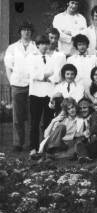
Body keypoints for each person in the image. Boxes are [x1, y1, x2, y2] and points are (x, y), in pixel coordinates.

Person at [27, 34, 63, 157]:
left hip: (49, 93)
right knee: (35, 122)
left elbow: (56, 75)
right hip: (36, 93)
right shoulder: (31, 57)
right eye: (42, 44)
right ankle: (33, 147)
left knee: (48, 122)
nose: (44, 46)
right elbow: (33, 74)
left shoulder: (52, 58)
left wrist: (47, 77)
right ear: (37, 45)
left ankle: (46, 146)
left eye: (46, 44)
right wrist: (45, 75)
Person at [4, 21, 38, 151]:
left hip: (32, 85)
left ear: (31, 32)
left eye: (29, 29)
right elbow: (8, 66)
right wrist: (11, 80)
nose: (26, 32)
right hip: (17, 85)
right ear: (20, 32)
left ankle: (32, 143)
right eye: (24, 29)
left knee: (32, 115)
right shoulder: (12, 48)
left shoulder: (36, 47)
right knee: (17, 116)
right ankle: (18, 143)